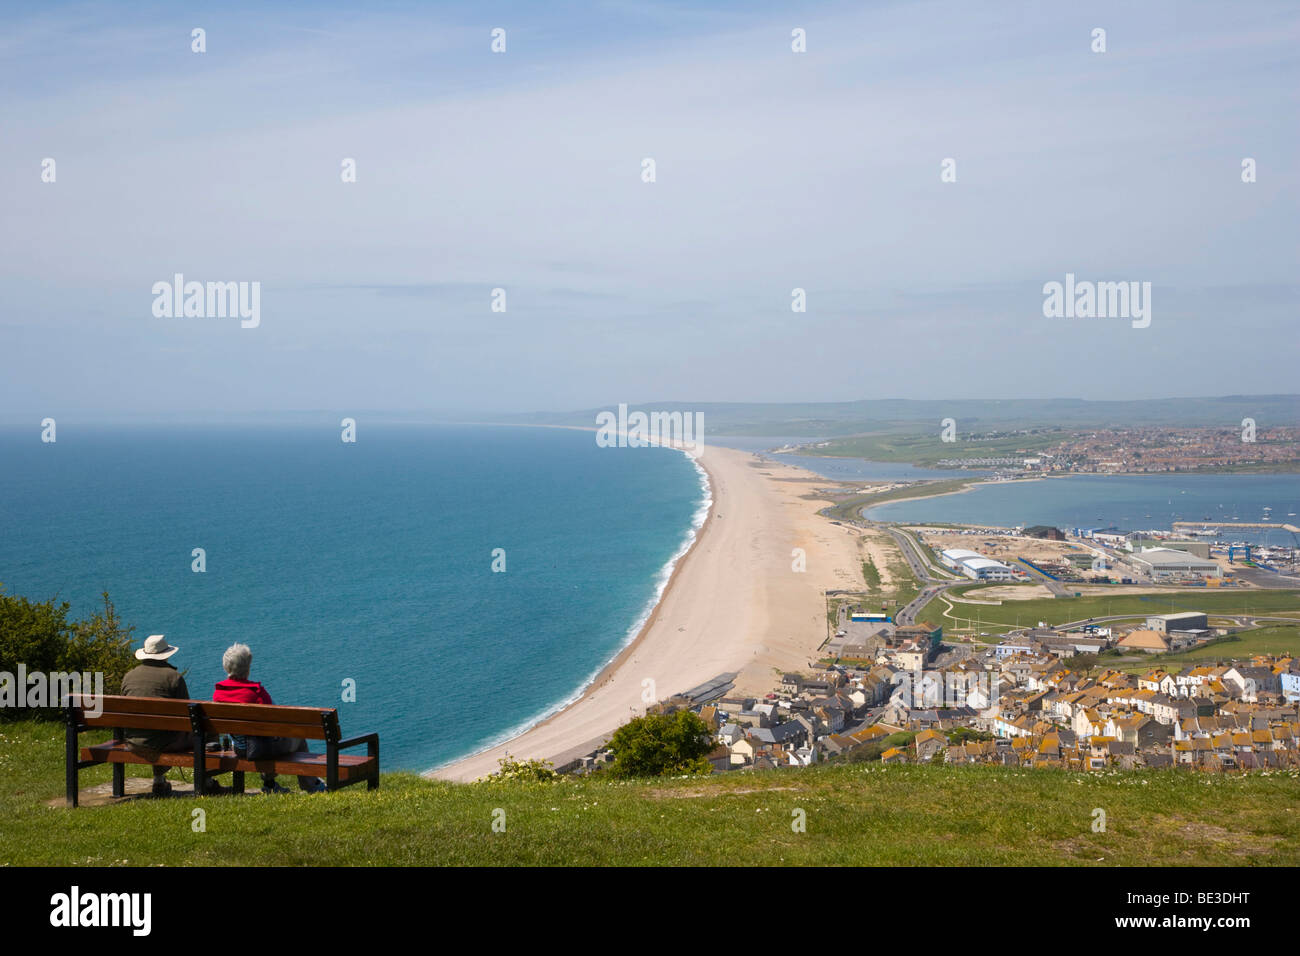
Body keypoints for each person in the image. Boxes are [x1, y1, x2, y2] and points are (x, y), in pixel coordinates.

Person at [120, 634, 225, 797]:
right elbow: (188, 716)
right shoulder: (174, 678)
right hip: (163, 743)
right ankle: (207, 781)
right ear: (165, 655)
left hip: (133, 742)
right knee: (208, 730)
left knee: (157, 729)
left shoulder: (129, 676)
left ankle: (159, 781)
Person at [213, 643, 324, 794]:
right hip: (259, 748)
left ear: (227, 667)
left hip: (238, 748)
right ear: (247, 668)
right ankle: (312, 785)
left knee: (266, 740)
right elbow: (277, 717)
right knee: (298, 738)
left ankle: (271, 785)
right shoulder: (256, 692)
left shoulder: (218, 693)